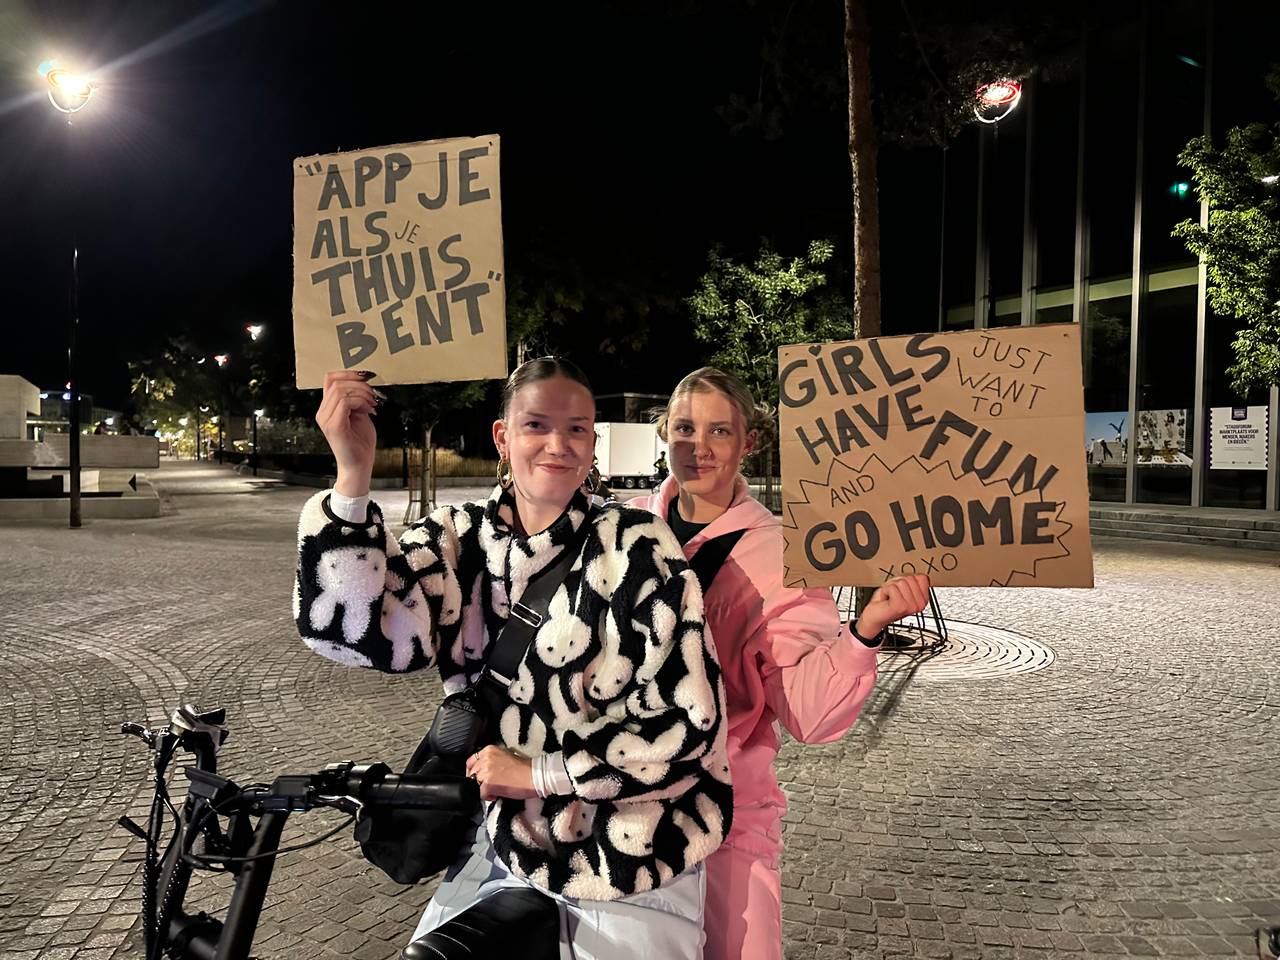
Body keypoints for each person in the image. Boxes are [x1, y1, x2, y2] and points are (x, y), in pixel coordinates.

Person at [295, 358, 732, 960]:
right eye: (536, 425)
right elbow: (360, 632)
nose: (558, 444)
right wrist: (351, 475)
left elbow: (689, 724)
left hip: (633, 854)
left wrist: (538, 774)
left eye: (577, 428)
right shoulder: (456, 537)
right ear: (503, 437)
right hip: (502, 843)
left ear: (593, 440)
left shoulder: (638, 545)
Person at [631, 366, 931, 960]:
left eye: (720, 430)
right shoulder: (623, 528)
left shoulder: (785, 552)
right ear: (664, 433)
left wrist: (865, 630)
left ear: (750, 440)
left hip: (726, 813)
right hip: (619, 803)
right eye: (685, 428)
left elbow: (808, 714)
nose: (699, 447)